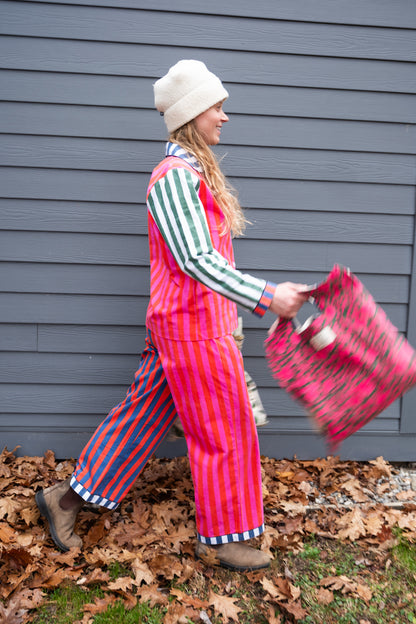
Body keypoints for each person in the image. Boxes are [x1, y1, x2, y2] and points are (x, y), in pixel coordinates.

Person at [35, 59, 308, 571]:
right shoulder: (174, 178)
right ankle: (224, 540)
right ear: (191, 114)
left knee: (139, 420)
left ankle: (63, 501)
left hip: (192, 327)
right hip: (190, 331)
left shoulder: (192, 174)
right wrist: (268, 296)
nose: (225, 116)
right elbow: (195, 261)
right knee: (224, 429)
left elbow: (210, 264)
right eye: (216, 106)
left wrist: (235, 322)